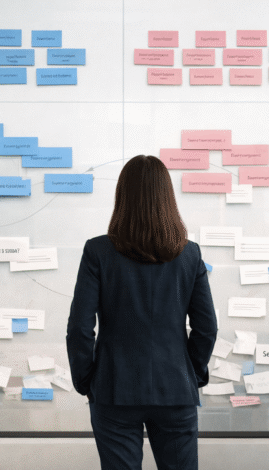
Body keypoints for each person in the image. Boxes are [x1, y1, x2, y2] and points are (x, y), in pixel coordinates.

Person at [66, 155, 218, 470]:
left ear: (122, 197)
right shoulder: (189, 254)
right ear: (168, 198)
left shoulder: (98, 251)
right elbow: (206, 328)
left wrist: (87, 381)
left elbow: (80, 328)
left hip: (114, 388)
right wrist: (191, 374)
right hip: (175, 388)